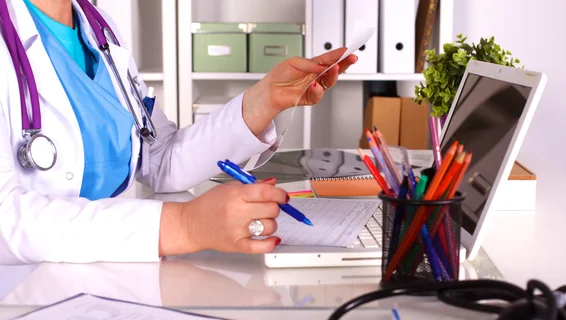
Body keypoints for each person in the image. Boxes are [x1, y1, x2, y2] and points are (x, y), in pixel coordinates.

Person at [0, 0, 358, 265]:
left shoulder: (98, 28)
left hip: (109, 277)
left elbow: (161, 159)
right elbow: (7, 220)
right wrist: (182, 226)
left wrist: (264, 100)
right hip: (22, 300)